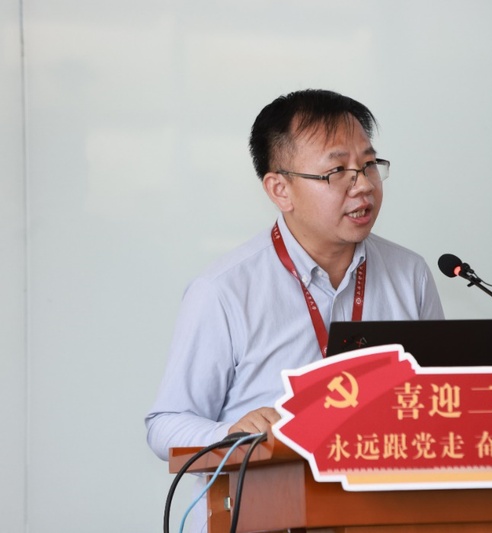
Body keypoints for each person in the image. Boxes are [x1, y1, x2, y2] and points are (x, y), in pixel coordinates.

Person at [145, 88, 444, 463]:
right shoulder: (224, 290)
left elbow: (442, 399)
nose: (365, 184)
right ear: (280, 190)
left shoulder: (410, 274)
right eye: (338, 171)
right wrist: (231, 435)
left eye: (369, 164)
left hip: (381, 491)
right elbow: (165, 425)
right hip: (265, 494)